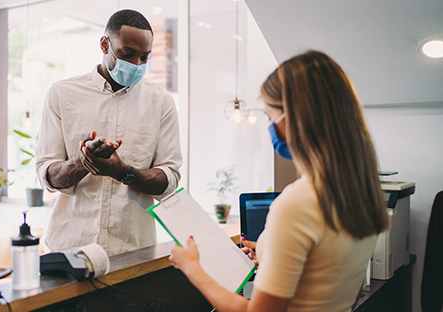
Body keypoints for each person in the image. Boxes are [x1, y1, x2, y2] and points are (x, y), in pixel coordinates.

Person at [169, 51, 390, 312]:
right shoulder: (363, 192)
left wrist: (192, 267)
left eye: (269, 116)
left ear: (294, 119)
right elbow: (334, 286)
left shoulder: (298, 203)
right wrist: (266, 254)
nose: (270, 127)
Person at [36, 9, 182, 256]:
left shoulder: (161, 102)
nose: (136, 65)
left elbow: (170, 180)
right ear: (105, 44)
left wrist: (124, 172)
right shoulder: (62, 94)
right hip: (69, 249)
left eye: (144, 58)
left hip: (133, 251)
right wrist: (83, 162)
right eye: (127, 54)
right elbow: (47, 175)